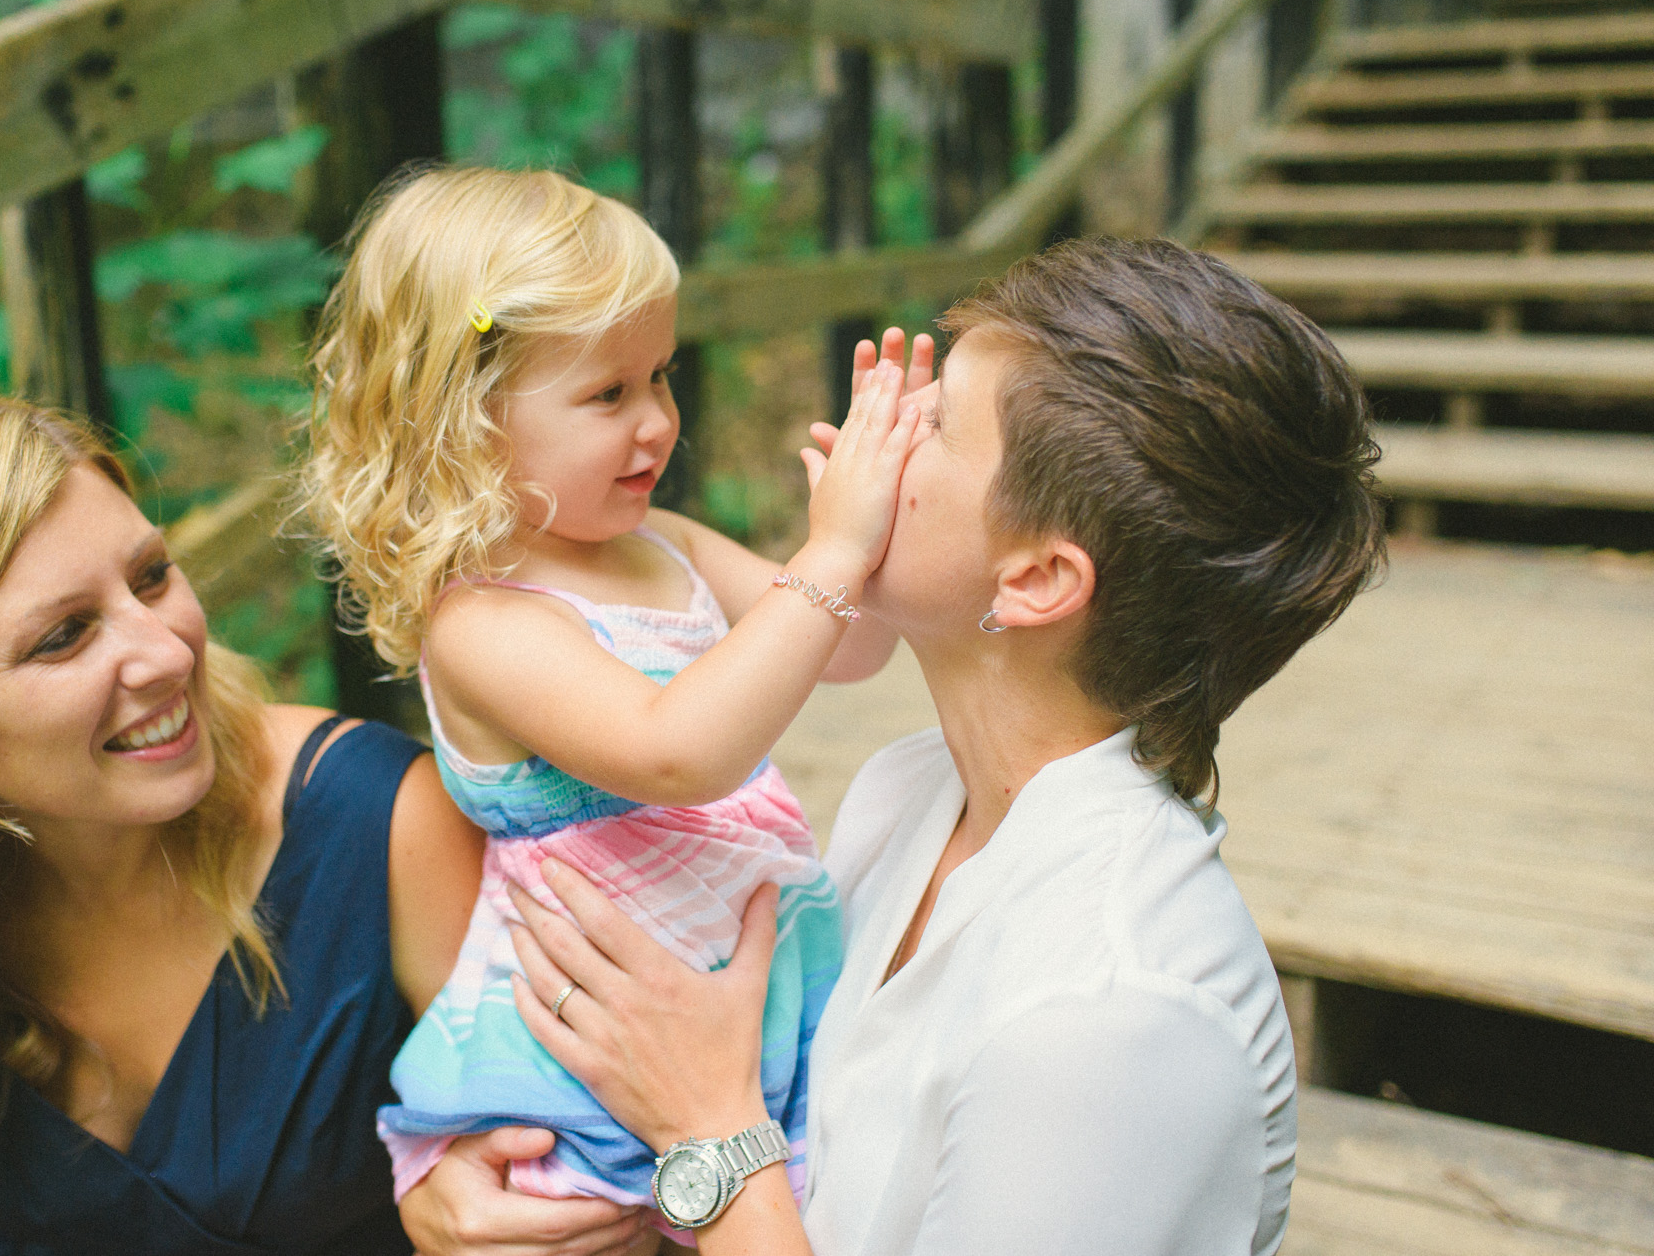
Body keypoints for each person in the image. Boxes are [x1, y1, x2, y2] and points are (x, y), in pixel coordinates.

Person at [416, 236, 1387, 1254]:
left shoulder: (1106, 1015)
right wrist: (479, 1197)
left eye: (930, 423)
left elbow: (725, 1127)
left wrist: (704, 1130)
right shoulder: (909, 793)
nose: (872, 430)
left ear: (1035, 581)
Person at [0, 393, 650, 1256]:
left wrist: (471, 1195)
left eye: (151, 576)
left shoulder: (373, 822)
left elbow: (617, 1161)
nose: (167, 649)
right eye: (63, 635)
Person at [300, 166, 920, 1230]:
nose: (656, 424)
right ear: (464, 415)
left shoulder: (660, 546)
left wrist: (878, 533)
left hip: (746, 987)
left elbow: (846, 652)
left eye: (661, 378)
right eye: (607, 394)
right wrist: (829, 551)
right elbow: (679, 752)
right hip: (592, 1047)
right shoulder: (484, 622)